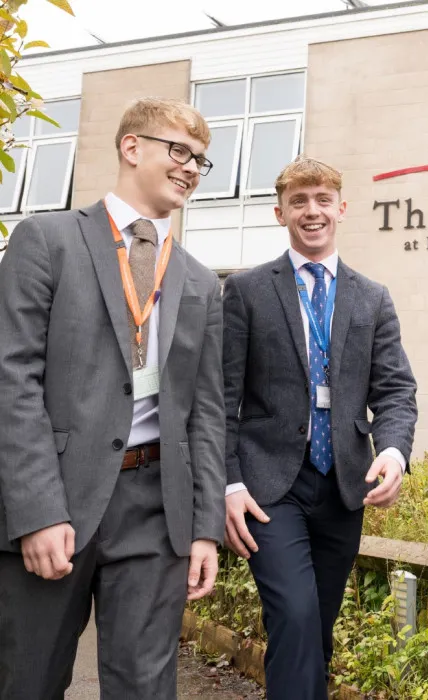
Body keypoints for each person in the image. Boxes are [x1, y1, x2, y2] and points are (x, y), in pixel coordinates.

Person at [0, 97, 226, 700]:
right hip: (58, 497)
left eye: (200, 160)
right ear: (132, 147)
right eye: (179, 150)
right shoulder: (46, 241)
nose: (191, 168)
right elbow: (11, 378)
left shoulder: (201, 281)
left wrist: (205, 528)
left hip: (158, 506)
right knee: (28, 680)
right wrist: (37, 510)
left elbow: (205, 412)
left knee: (145, 689)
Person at [222, 156, 418, 699]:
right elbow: (220, 399)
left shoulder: (372, 297)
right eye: (300, 202)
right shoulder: (246, 291)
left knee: (316, 629)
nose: (312, 212)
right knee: (297, 614)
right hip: (268, 488)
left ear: (341, 208)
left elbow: (396, 391)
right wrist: (229, 483)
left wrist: (395, 452)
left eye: (323, 200)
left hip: (344, 487)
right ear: (280, 211)